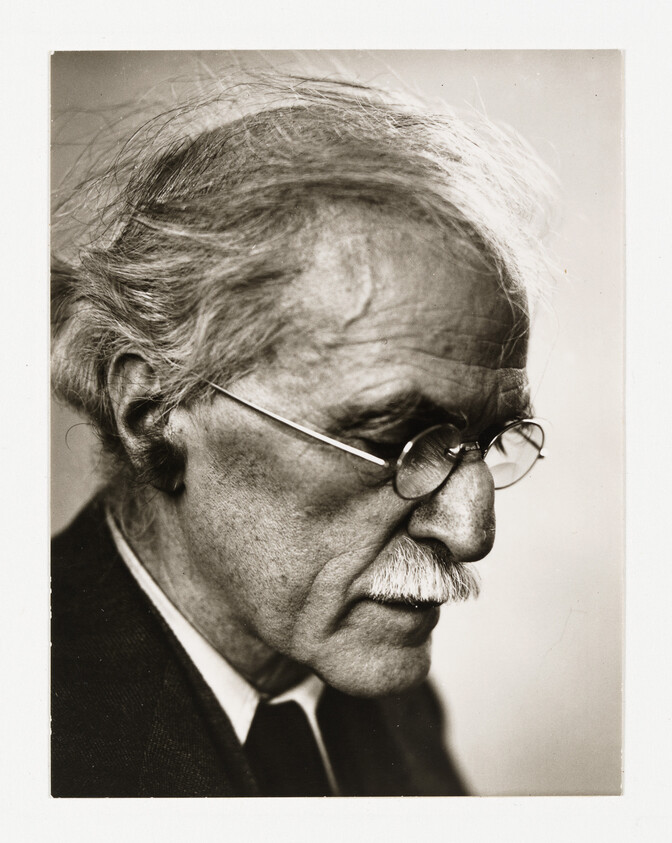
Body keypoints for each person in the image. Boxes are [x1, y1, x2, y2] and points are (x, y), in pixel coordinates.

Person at [51, 73, 553, 797]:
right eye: (393, 440)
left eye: (491, 438)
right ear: (149, 411)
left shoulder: (366, 676)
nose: (473, 531)